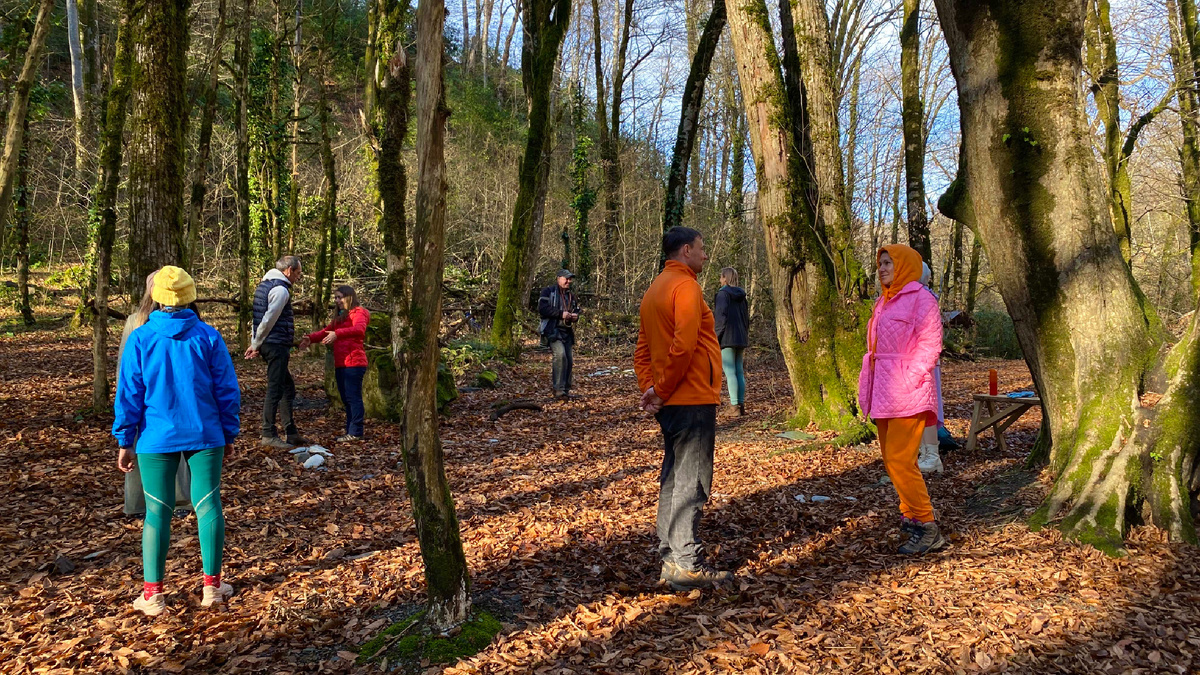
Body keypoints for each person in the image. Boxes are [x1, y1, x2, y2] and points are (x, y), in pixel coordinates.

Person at [113, 266, 241, 615]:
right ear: (190, 295)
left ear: (156, 296)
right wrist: (229, 432)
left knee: (157, 511)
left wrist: (125, 439)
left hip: (156, 436)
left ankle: (153, 595)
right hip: (205, 433)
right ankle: (212, 588)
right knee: (208, 505)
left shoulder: (141, 337)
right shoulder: (209, 336)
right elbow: (227, 390)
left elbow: (129, 393)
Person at [635, 226, 731, 590]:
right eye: (702, 249)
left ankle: (672, 557)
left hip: (674, 399)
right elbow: (685, 344)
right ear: (686, 250)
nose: (706, 256)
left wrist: (651, 388)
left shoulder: (654, 289)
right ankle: (687, 563)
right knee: (691, 480)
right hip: (691, 397)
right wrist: (660, 389)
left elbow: (642, 350)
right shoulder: (685, 286)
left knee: (674, 477)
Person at [859, 245, 946, 554]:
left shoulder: (922, 299)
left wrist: (911, 378)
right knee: (892, 460)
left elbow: (930, 344)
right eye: (880, 263)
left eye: (888, 263)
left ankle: (927, 525)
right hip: (883, 390)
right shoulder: (884, 302)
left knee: (900, 459)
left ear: (905, 266)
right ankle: (910, 517)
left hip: (908, 390)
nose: (882, 268)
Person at [120, 270, 192, 516]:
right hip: (150, 395)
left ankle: (176, 500)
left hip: (167, 394)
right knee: (140, 447)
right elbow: (126, 369)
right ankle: (139, 503)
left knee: (165, 447)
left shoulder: (188, 324)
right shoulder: (136, 322)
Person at [244, 256, 308, 448]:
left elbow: (258, 318)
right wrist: (255, 344)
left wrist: (256, 342)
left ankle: (291, 431)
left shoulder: (265, 286)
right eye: (297, 272)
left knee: (287, 388)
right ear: (288, 270)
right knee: (276, 388)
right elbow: (268, 319)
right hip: (276, 345)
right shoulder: (280, 290)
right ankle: (268, 433)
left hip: (270, 343)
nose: (298, 276)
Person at [300, 285, 369, 442]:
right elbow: (326, 331)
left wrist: (337, 334)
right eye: (336, 297)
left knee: (353, 397)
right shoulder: (340, 317)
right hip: (341, 363)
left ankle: (356, 432)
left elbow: (359, 330)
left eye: (340, 297)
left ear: (349, 297)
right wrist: (310, 338)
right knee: (346, 399)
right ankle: (350, 431)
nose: (337, 300)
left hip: (354, 362)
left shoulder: (359, 312)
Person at [917, 262, 945, 474]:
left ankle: (931, 455)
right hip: (912, 362)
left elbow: (931, 334)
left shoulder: (925, 298)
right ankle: (923, 452)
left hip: (924, 363)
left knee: (926, 408)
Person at [712, 267, 750, 417]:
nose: (720, 280)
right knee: (739, 371)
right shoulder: (742, 296)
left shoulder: (722, 294)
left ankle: (734, 406)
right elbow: (746, 319)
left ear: (725, 278)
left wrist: (716, 337)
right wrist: (745, 334)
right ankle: (740, 405)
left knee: (730, 372)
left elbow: (721, 317)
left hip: (727, 337)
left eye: (721, 278)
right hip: (740, 336)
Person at [538, 269, 580, 400]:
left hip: (566, 331)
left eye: (570, 279)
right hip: (552, 330)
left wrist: (575, 316)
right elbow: (542, 309)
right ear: (558, 278)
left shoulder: (571, 296)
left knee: (569, 359)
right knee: (560, 355)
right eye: (566, 278)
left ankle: (566, 390)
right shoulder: (548, 292)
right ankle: (558, 389)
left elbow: (577, 309)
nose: (568, 281)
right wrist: (561, 314)